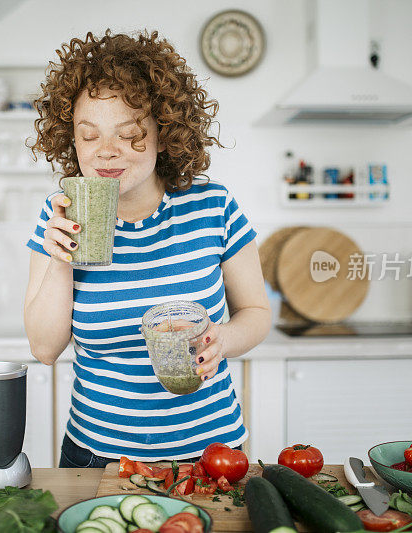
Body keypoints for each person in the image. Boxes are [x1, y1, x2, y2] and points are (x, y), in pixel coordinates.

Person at [25, 29, 270, 467]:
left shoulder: (213, 206)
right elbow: (44, 349)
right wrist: (61, 261)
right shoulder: (59, 214)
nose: (106, 152)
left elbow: (257, 313)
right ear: (71, 139)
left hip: (211, 455)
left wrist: (224, 339)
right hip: (96, 457)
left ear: (165, 131)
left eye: (129, 134)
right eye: (88, 135)